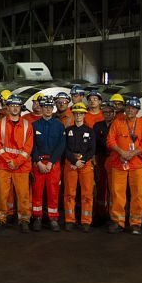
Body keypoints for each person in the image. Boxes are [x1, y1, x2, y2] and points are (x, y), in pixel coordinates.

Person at [106, 97, 142, 234]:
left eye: (133, 108)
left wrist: (132, 153)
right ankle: (118, 222)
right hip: (119, 162)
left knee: (138, 194)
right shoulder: (117, 122)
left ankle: (135, 223)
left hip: (137, 164)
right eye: (128, 107)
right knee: (117, 193)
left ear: (137, 110)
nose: (130, 110)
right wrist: (122, 152)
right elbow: (110, 140)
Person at [0, 95, 34, 231]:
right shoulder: (0, 124)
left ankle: (24, 219)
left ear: (21, 108)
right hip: (3, 166)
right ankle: (0, 218)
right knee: (1, 194)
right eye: (12, 105)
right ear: (8, 107)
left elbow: (28, 148)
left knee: (23, 195)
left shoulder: (27, 125)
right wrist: (9, 160)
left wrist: (16, 162)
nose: (15, 108)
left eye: (17, 106)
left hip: (21, 166)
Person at [31, 95, 65, 231]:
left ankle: (53, 218)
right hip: (38, 163)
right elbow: (32, 146)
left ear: (53, 108)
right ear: (41, 108)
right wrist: (38, 162)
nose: (48, 109)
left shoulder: (59, 125)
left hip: (53, 163)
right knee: (37, 191)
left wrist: (51, 162)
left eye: (50, 107)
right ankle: (37, 217)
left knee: (53, 192)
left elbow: (61, 146)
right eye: (45, 107)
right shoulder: (35, 125)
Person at [62, 102, 96, 232]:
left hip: (85, 164)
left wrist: (82, 160)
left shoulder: (90, 131)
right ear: (73, 114)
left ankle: (86, 221)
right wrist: (74, 161)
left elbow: (92, 149)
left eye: (80, 113)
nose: (78, 116)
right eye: (76, 113)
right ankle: (69, 220)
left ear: (84, 115)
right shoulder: (68, 130)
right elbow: (64, 148)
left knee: (87, 194)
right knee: (69, 193)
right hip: (71, 164)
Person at [92, 103, 116, 222]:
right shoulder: (97, 125)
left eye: (110, 112)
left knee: (113, 187)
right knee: (100, 185)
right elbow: (93, 143)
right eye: (105, 112)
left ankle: (112, 214)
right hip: (100, 158)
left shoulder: (117, 125)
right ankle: (100, 213)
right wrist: (93, 157)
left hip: (113, 158)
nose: (107, 114)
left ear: (114, 113)